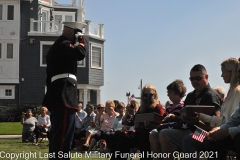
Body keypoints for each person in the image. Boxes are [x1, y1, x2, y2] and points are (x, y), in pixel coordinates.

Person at [42, 21, 86, 159]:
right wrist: (82, 42)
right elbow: (80, 53)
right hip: (64, 94)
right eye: (78, 34)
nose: (78, 38)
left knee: (61, 136)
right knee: (63, 137)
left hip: (59, 94)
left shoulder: (58, 47)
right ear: (73, 33)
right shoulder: (64, 45)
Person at [159, 64, 222, 160]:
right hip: (188, 129)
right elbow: (184, 116)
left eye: (198, 78)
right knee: (155, 133)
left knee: (173, 135)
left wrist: (197, 122)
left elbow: (217, 124)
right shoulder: (190, 96)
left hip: (205, 134)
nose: (195, 81)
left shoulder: (211, 95)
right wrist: (176, 117)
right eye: (192, 79)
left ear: (206, 77)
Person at [182, 57, 240, 160]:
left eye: (224, 72)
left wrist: (221, 129)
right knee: (189, 138)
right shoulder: (231, 93)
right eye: (192, 79)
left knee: (189, 139)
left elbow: (227, 121)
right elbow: (226, 121)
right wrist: (200, 116)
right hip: (219, 131)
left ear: (232, 72)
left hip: (221, 133)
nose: (221, 75)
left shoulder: (233, 93)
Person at [149, 79, 187, 159]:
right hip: (166, 127)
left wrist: (175, 118)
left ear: (177, 92)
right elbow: (163, 119)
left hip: (178, 129)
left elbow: (184, 120)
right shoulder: (169, 107)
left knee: (164, 133)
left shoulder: (183, 106)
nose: (168, 95)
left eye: (170, 93)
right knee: (152, 133)